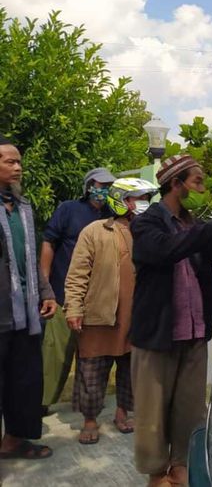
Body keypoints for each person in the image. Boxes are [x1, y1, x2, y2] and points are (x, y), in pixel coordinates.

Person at [129, 154, 212, 487]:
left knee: (189, 410)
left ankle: (181, 464)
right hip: (159, 335)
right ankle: (156, 471)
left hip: (194, 332)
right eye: (197, 181)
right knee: (153, 412)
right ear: (176, 184)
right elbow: (166, 251)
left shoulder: (194, 226)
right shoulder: (146, 224)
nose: (203, 188)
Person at [64, 178, 158, 445]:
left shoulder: (147, 232)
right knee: (91, 371)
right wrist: (73, 307)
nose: (140, 204)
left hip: (135, 317)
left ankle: (122, 412)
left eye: (143, 198)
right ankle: (90, 420)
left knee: (130, 371)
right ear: (120, 201)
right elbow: (77, 274)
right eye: (135, 198)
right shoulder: (94, 231)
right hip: (99, 317)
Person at [0, 135, 57, 460]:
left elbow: (30, 256)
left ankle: (12, 441)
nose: (18, 167)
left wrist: (46, 292)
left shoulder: (22, 207)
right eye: (10, 161)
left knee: (23, 381)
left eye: (19, 161)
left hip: (25, 313)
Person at [40, 167, 115, 412]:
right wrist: (45, 285)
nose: (103, 190)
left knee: (92, 357)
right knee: (56, 356)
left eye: (107, 186)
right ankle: (40, 404)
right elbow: (49, 243)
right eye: (99, 184)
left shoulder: (111, 215)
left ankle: (86, 405)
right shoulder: (68, 209)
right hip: (63, 296)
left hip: (96, 302)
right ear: (88, 186)